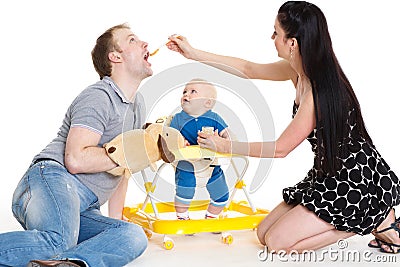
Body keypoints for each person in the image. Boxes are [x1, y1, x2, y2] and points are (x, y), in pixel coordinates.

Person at [167, 1, 400, 254]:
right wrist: (193, 53)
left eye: (276, 32)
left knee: (278, 243)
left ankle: (370, 217)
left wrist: (227, 146)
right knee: (263, 232)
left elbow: (280, 149)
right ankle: (371, 217)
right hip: (327, 174)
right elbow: (248, 69)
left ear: (293, 43)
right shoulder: (297, 71)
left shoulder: (317, 92)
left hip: (355, 181)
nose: (272, 37)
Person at [0, 23, 153, 267]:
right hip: (52, 179)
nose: (145, 43)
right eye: (133, 40)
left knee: (131, 235)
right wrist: (128, 153)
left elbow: (124, 168)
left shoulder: (137, 105)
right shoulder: (100, 96)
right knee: (57, 241)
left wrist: (117, 221)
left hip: (85, 205)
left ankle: (68, 264)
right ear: (115, 57)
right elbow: (76, 159)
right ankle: (58, 251)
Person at [170, 79, 230, 221]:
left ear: (207, 103)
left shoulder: (215, 118)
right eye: (184, 91)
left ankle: (212, 217)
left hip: (211, 163)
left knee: (221, 193)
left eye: (193, 92)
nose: (186, 95)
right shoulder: (178, 119)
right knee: (185, 189)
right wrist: (179, 141)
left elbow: (229, 136)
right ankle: (182, 217)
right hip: (187, 162)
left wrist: (224, 141)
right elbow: (170, 136)